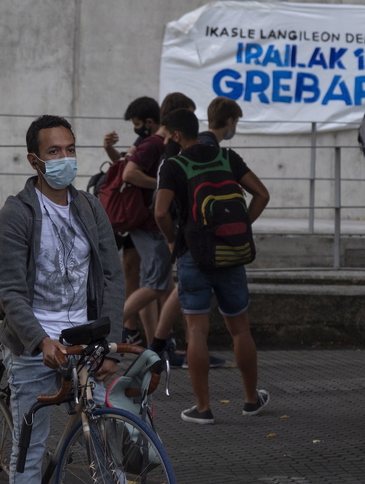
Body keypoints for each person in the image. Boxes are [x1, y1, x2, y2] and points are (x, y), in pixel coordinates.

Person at [0, 115, 124, 481]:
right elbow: (10, 289)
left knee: (107, 433)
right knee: (30, 450)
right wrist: (40, 340)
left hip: (83, 343)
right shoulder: (17, 213)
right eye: (53, 151)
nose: (64, 158)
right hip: (36, 346)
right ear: (34, 160)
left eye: (69, 149)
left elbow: (113, 276)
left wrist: (111, 346)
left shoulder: (89, 206)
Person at [155, 109, 270, 425]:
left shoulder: (175, 166)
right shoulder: (229, 158)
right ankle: (250, 400)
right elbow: (262, 194)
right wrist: (239, 226)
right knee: (240, 329)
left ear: (177, 136)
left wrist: (172, 241)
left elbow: (161, 212)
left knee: (196, 331)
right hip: (232, 255)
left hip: (194, 255)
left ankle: (203, 408)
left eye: (169, 135)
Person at [120, 94, 196, 346]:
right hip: (150, 226)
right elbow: (129, 173)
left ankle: (155, 343)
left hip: (151, 225)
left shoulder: (161, 143)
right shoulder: (154, 144)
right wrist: (165, 187)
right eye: (189, 114)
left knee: (156, 284)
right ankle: (111, 328)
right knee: (155, 286)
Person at [103, 96, 161, 345]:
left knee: (153, 282)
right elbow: (125, 166)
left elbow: (128, 170)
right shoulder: (147, 142)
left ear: (149, 121)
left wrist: (160, 187)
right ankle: (135, 331)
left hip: (146, 218)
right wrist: (108, 149)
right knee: (143, 276)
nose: (136, 129)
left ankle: (153, 338)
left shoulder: (157, 143)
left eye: (138, 124)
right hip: (138, 218)